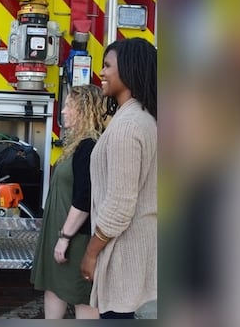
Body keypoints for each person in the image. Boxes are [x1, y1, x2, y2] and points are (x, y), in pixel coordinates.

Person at [80, 37, 157, 319]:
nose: (102, 72)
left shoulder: (128, 127)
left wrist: (90, 253)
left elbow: (121, 205)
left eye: (108, 66)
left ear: (129, 70)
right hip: (141, 256)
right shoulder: (146, 119)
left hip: (125, 261)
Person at [30, 84, 106, 319]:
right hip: (61, 235)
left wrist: (64, 238)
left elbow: (84, 199)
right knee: (54, 288)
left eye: (68, 107)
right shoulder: (76, 145)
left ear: (84, 111)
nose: (63, 112)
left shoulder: (89, 146)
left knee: (83, 296)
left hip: (76, 240)